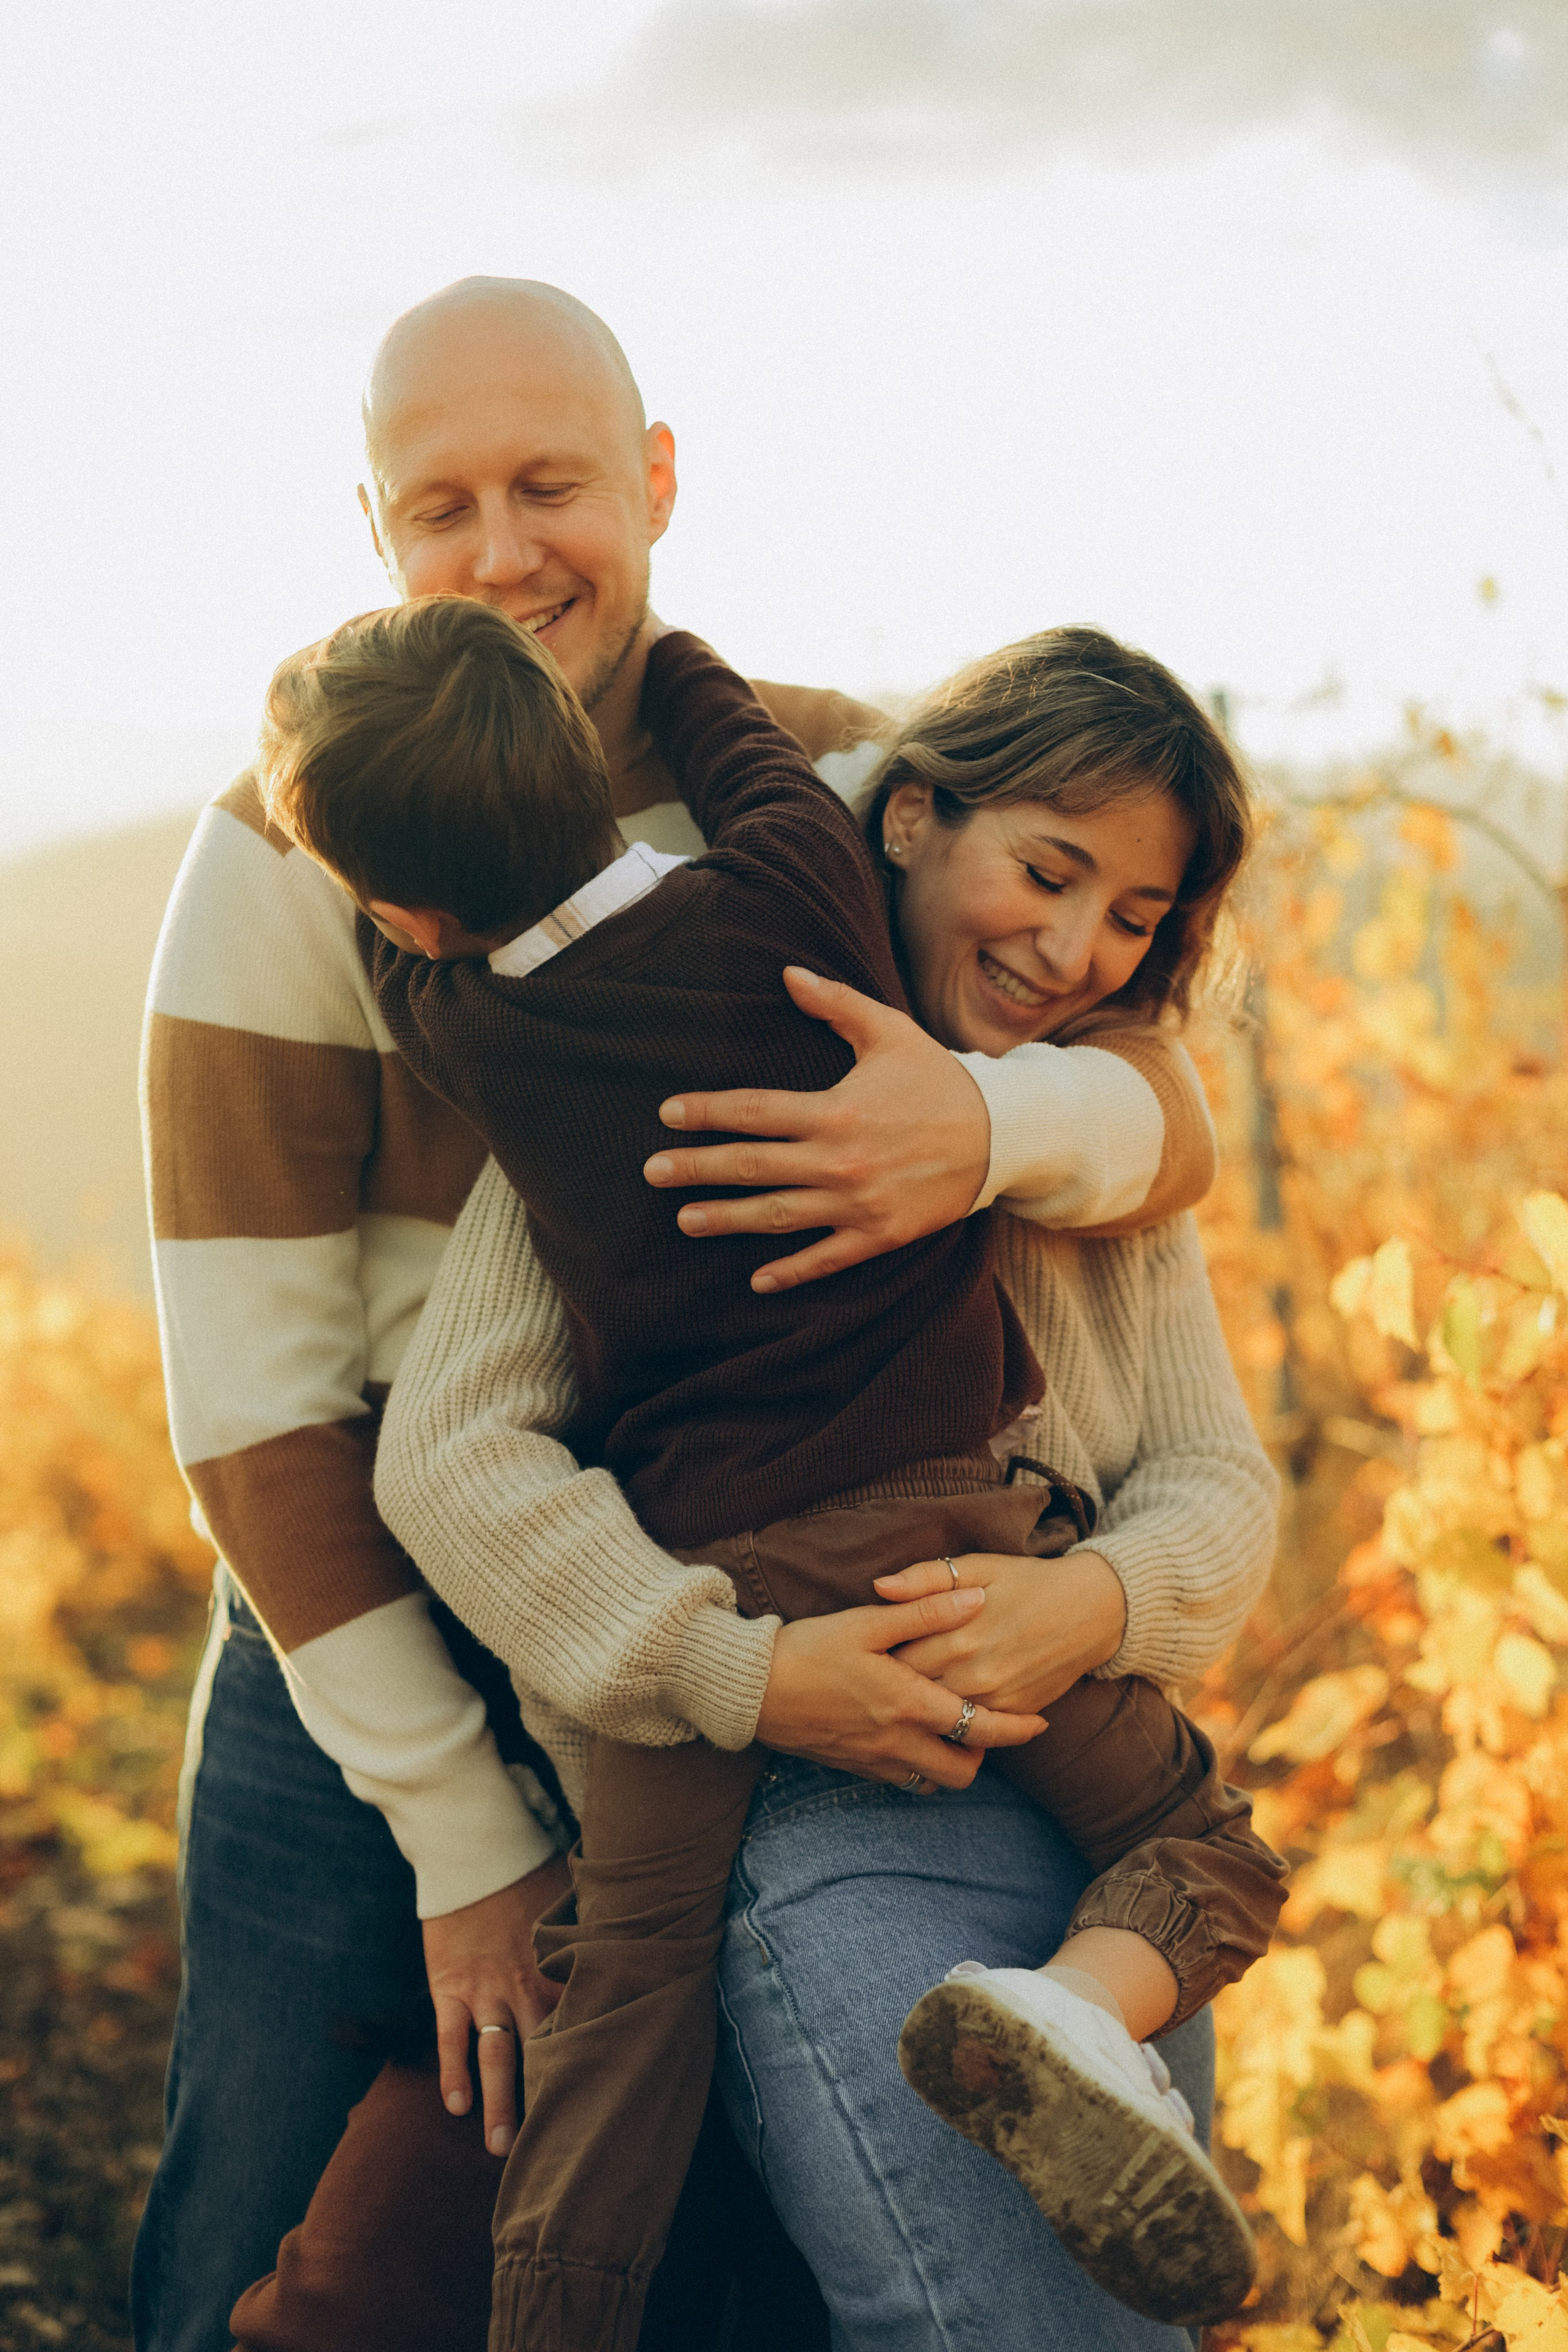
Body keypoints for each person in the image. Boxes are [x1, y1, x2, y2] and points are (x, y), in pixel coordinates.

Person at [134, 274, 1219, 2352]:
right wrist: (457, 1836)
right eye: (439, 504)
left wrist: (973, 1128)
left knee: (712, 2199)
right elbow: (254, 1408)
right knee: (261, 2194)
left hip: (764, 1569)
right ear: (375, 531)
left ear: (652, 480)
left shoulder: (825, 783)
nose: (505, 545)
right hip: (363, 1610)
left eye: (551, 483)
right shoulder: (293, 852)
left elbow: (1165, 1095)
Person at [371, 625, 1283, 2352]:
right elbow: (454, 1455)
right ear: (912, 820)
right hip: (823, 1813)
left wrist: (1086, 1604)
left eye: (1135, 919)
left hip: (1086, 1827)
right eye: (1049, 871)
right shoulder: (712, 1029)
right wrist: (742, 1670)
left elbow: (1220, 1480)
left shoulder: (1086, 1131)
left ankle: (1075, 2020)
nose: (1074, 949)